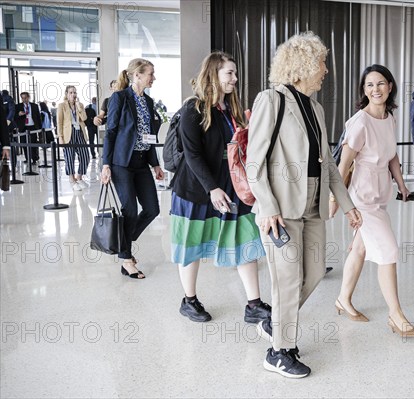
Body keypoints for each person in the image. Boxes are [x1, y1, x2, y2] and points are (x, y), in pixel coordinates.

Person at [247, 31, 362, 379]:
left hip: (312, 207)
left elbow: (328, 162)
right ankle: (279, 350)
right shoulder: (272, 100)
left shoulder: (315, 107)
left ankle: (274, 321)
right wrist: (266, 206)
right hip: (279, 210)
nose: (326, 70)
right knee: (284, 280)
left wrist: (346, 202)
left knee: (312, 274)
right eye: (322, 63)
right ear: (303, 66)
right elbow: (255, 161)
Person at [170, 51, 271, 324]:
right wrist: (212, 188)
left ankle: (254, 304)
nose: (235, 79)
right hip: (196, 190)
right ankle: (189, 301)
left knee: (245, 241)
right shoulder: (193, 109)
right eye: (230, 73)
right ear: (213, 74)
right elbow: (192, 155)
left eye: (235, 73)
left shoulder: (232, 110)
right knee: (191, 246)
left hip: (231, 188)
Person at [330, 64, 414, 337]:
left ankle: (343, 299)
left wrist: (402, 185)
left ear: (390, 86)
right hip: (362, 197)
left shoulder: (389, 117)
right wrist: (342, 203)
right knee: (389, 250)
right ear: (364, 90)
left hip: (380, 194)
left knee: (360, 249)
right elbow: (343, 166)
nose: (375, 89)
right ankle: (396, 314)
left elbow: (391, 154)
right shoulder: (360, 121)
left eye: (380, 83)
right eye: (369, 85)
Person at [100, 58, 164, 279]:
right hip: (121, 163)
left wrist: (155, 163)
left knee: (152, 209)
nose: (153, 78)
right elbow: (110, 132)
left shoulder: (148, 101)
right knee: (129, 209)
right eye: (150, 74)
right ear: (137, 75)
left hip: (141, 162)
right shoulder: (119, 98)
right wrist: (105, 164)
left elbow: (149, 137)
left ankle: (122, 244)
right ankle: (126, 258)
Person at [57, 86, 90, 192]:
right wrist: (60, 137)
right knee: (69, 157)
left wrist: (78, 108)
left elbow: (84, 118)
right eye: (71, 92)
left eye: (75, 92)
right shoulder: (62, 106)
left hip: (79, 132)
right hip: (68, 134)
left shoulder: (80, 105)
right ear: (66, 94)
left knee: (85, 155)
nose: (73, 94)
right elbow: (59, 123)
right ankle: (72, 180)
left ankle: (79, 177)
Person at [15, 92, 41, 163]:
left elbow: (38, 117)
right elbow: (14, 117)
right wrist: (18, 114)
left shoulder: (34, 106)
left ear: (28, 97)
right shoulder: (18, 106)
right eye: (22, 98)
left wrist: (39, 128)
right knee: (24, 143)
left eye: (25, 98)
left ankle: (34, 158)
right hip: (23, 127)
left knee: (33, 143)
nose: (24, 99)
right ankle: (27, 158)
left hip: (32, 126)